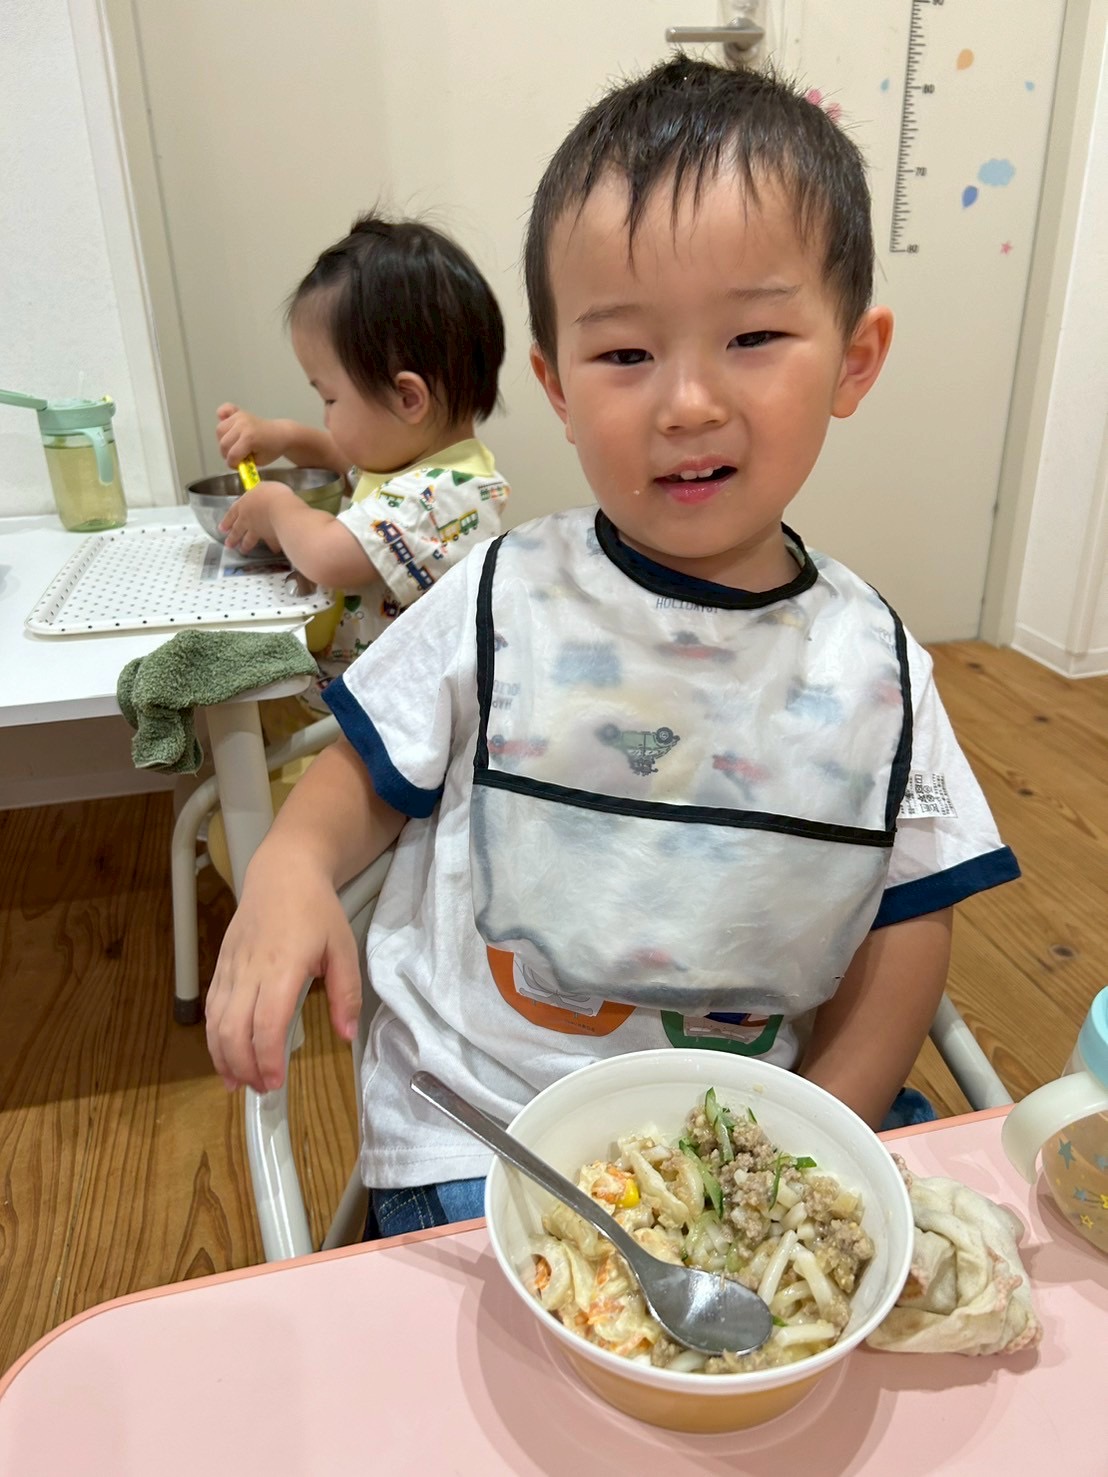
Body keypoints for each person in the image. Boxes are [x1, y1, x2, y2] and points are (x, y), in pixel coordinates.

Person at [205, 58, 1020, 1241]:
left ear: (853, 358)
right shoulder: (503, 595)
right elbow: (360, 780)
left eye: (752, 335)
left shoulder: (875, 665)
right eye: (626, 356)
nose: (685, 403)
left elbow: (908, 923)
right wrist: (289, 867)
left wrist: (814, 1147)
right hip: (486, 1130)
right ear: (554, 384)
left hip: (754, 1139)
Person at [214, 212, 510, 690]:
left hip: (392, 722)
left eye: (330, 399)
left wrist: (276, 506)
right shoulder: (417, 465)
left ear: (407, 398)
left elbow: (326, 555)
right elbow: (346, 463)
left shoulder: (446, 499)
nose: (326, 417)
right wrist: (285, 437)